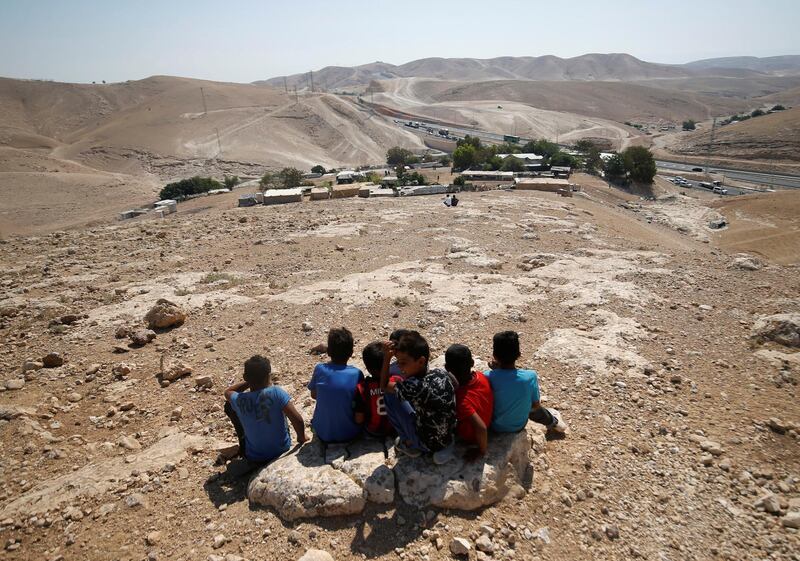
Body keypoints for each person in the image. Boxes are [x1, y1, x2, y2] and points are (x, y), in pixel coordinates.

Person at [379, 332, 457, 464]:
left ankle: (410, 443)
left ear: (421, 361)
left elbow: (384, 386)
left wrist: (387, 358)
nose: (399, 367)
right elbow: (456, 383)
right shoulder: (440, 373)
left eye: (403, 363)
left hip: (428, 444)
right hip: (448, 435)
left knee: (389, 396)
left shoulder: (413, 386)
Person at [224, 355, 307, 463]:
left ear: (245, 377)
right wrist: (302, 438)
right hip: (280, 450)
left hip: (254, 456)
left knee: (228, 406)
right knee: (281, 407)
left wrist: (249, 380)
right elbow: (298, 420)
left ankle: (243, 445)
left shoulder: (239, 399)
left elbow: (227, 392)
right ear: (268, 376)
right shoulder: (276, 392)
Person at [485, 331, 567, 434]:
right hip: (518, 426)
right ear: (519, 355)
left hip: (495, 427)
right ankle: (553, 422)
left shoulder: (487, 376)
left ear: (495, 356)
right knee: (533, 407)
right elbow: (535, 406)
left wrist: (496, 371)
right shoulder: (530, 376)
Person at [307, 327, 364, 443]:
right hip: (350, 433)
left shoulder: (319, 369)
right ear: (351, 353)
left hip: (323, 433)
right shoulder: (357, 374)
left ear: (328, 352)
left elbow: (314, 395)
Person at [445, 344, 493, 461]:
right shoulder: (481, 376)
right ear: (472, 362)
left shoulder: (460, 398)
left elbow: (481, 428)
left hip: (471, 436)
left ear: (447, 368)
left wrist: (481, 450)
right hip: (489, 421)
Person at [354, 341, 394, 437]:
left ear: (368, 369)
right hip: (394, 429)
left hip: (372, 431)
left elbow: (359, 419)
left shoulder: (362, 388)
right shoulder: (396, 381)